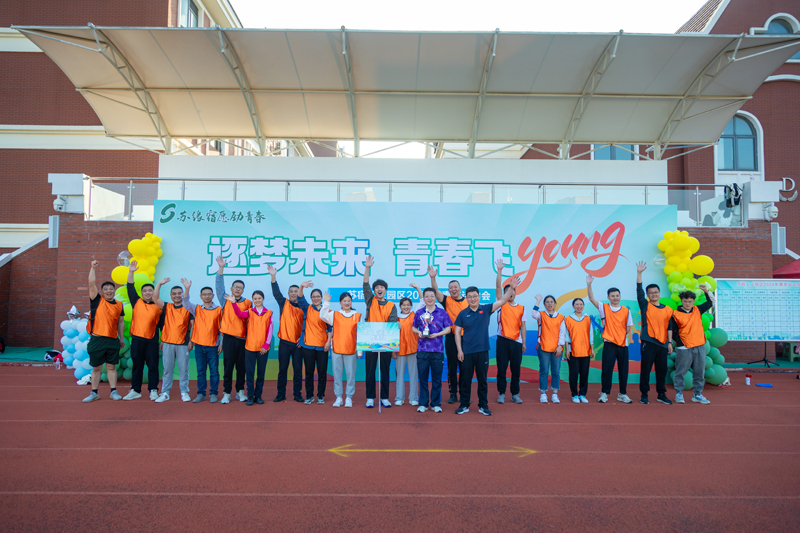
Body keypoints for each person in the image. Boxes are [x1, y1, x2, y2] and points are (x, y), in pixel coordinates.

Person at [454, 278, 519, 416]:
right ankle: (464, 404)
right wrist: (459, 350)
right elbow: (457, 333)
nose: (472, 299)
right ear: (466, 298)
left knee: (482, 380)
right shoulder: (462, 314)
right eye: (469, 296)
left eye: (475, 296)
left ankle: (483, 405)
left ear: (479, 296)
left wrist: (512, 288)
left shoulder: (486, 309)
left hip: (482, 352)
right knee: (465, 380)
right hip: (467, 352)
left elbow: (502, 300)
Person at [123, 261, 167, 401]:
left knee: (153, 366)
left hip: (152, 341)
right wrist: (131, 271)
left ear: (154, 292)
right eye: (145, 291)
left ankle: (153, 390)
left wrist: (163, 340)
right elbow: (130, 286)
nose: (148, 292)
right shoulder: (136, 302)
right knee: (137, 366)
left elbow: (163, 326)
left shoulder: (159, 306)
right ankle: (135, 390)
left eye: (150, 290)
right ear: (141, 293)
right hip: (137, 340)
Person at [586, 275, 634, 404]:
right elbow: (591, 298)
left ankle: (622, 394)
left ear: (620, 296)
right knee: (607, 369)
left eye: (617, 295)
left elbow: (628, 327)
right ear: (608, 297)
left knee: (623, 370)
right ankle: (604, 393)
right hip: (609, 344)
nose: (615, 298)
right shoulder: (604, 307)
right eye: (613, 296)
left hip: (623, 344)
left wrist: (620, 336)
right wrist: (589, 284)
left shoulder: (626, 310)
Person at [83, 260, 125, 403]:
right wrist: (92, 268)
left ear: (114, 290)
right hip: (97, 339)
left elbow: (120, 322)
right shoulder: (97, 300)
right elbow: (91, 283)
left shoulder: (119, 305)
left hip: (112, 340)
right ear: (102, 291)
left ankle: (113, 391)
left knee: (111, 367)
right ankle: (94, 393)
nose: (109, 291)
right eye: (106, 289)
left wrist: (121, 338)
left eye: (111, 289)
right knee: (96, 368)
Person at [268, 265, 310, 402]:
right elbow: (276, 293)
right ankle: (281, 394)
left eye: (296, 291)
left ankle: (297, 394)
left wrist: (302, 340)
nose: (293, 293)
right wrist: (273, 276)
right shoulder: (283, 303)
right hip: (284, 343)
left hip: (298, 344)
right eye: (291, 291)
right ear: (288, 293)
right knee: (282, 370)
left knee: (297, 371)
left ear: (299, 293)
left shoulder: (304, 306)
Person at [428, 265, 468, 405]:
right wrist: (433, 278)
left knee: (465, 368)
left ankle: (464, 394)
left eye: (455, 287)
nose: (453, 289)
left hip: (466, 339)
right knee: (452, 366)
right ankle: (453, 393)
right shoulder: (447, 300)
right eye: (451, 288)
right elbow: (436, 291)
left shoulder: (468, 301)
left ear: (460, 288)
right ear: (449, 290)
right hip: (451, 338)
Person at [636, 261, 675, 405]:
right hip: (649, 341)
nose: (654, 294)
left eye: (656, 292)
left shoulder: (667, 309)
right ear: (648, 295)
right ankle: (644, 394)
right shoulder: (645, 305)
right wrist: (639, 273)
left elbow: (669, 326)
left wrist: (669, 342)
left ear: (659, 293)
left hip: (663, 343)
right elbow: (639, 292)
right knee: (645, 369)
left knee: (661, 370)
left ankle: (661, 394)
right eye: (651, 293)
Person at [215, 256, 252, 405]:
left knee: (241, 367)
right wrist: (221, 268)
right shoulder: (225, 300)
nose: (237, 289)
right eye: (235, 287)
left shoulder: (248, 302)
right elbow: (219, 285)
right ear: (231, 289)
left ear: (243, 290)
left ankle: (240, 391)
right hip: (229, 339)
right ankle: (226, 393)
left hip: (243, 340)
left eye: (240, 287)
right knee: (228, 367)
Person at [669, 285, 714, 405]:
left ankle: (697, 394)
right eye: (685, 301)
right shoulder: (675, 314)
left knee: (699, 371)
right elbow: (671, 329)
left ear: (693, 301)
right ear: (681, 301)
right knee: (681, 371)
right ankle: (679, 393)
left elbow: (710, 303)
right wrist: (679, 341)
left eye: (690, 301)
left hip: (699, 345)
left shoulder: (697, 309)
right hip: (684, 347)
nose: (687, 303)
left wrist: (706, 291)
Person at [363, 256, 397, 409]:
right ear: (374, 290)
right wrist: (367, 268)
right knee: (370, 370)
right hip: (370, 340)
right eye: (377, 287)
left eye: (382, 287)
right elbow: (365, 284)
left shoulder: (391, 305)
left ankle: (384, 397)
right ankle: (370, 397)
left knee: (385, 371)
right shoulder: (371, 300)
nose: (379, 289)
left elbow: (392, 323)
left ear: (385, 290)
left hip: (386, 340)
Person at [227, 291, 273, 406]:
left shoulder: (269, 313)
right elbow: (239, 314)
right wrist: (233, 303)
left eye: (259, 298)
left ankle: (258, 396)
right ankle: (250, 396)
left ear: (263, 299)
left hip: (263, 349)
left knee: (261, 373)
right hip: (250, 348)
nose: (257, 300)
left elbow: (270, 330)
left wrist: (266, 345)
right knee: (250, 374)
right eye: (255, 299)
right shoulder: (250, 312)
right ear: (253, 300)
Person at [181, 279, 223, 403]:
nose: (206, 296)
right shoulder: (196, 308)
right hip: (199, 345)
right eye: (204, 294)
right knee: (201, 371)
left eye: (209, 294)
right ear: (200, 296)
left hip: (213, 346)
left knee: (214, 372)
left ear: (213, 296)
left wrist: (221, 344)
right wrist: (187, 288)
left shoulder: (219, 310)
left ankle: (213, 393)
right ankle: (201, 393)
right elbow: (185, 302)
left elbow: (222, 329)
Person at [412, 287, 453, 413]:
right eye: (427, 296)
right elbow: (413, 327)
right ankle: (423, 404)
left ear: (435, 297)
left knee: (436, 379)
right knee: (423, 379)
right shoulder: (419, 312)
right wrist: (419, 332)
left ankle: (436, 403)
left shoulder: (442, 312)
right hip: (422, 351)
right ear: (423, 298)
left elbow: (449, 329)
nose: (429, 298)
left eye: (432, 296)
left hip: (437, 351)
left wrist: (438, 334)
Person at [319, 291, 362, 408]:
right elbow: (322, 316)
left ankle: (349, 397)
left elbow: (360, 334)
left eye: (349, 301)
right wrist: (326, 302)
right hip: (337, 349)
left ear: (351, 302)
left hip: (351, 349)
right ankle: (338, 397)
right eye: (344, 301)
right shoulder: (335, 314)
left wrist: (360, 351)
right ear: (340, 302)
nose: (347, 303)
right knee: (337, 374)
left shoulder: (357, 315)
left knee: (350, 375)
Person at [155, 282, 194, 403]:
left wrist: (191, 341)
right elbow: (155, 298)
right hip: (167, 343)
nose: (177, 295)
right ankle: (165, 392)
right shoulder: (167, 306)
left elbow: (193, 326)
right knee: (167, 370)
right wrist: (159, 284)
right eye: (174, 294)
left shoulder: (188, 308)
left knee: (183, 370)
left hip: (183, 343)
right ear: (171, 296)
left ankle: (184, 392)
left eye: (179, 293)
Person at [494, 260, 527, 404]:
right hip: (502, 341)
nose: (510, 293)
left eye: (512, 290)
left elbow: (523, 326)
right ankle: (501, 393)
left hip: (516, 342)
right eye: (507, 291)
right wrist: (500, 271)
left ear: (515, 292)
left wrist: (524, 343)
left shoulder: (521, 308)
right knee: (501, 369)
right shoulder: (502, 304)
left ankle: (515, 394)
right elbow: (498, 287)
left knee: (515, 370)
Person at [300, 287, 332, 405]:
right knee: (309, 372)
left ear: (321, 298)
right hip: (308, 346)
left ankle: (320, 396)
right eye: (313, 297)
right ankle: (309, 396)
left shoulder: (327, 310)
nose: (316, 298)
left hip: (322, 346)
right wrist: (301, 286)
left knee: (322, 372)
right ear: (311, 298)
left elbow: (330, 329)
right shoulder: (307, 308)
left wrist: (328, 342)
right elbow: (300, 298)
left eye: (318, 296)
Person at [558, 298, 594, 404]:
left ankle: (582, 394)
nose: (579, 306)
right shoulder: (568, 319)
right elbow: (566, 336)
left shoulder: (587, 319)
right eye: (577, 304)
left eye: (581, 304)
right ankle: (574, 394)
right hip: (573, 350)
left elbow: (590, 335)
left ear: (583, 306)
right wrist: (567, 350)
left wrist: (592, 349)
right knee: (573, 374)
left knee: (584, 374)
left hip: (586, 351)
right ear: (573, 306)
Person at [531, 294, 564, 404]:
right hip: (544, 347)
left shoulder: (560, 317)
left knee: (556, 371)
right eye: (547, 302)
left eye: (551, 302)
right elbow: (533, 314)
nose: (550, 304)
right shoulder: (541, 315)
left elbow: (562, 333)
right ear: (544, 304)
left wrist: (560, 346)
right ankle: (543, 393)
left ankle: (555, 393)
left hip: (556, 349)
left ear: (555, 304)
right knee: (544, 371)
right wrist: (538, 301)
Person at [395, 285, 424, 407]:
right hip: (400, 351)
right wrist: (393, 351)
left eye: (408, 305)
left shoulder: (414, 315)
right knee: (399, 376)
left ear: (411, 306)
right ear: (400, 306)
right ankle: (399, 398)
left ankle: (413, 398)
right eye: (403, 305)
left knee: (413, 375)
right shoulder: (396, 319)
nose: (406, 307)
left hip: (413, 350)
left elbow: (422, 301)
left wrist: (418, 288)